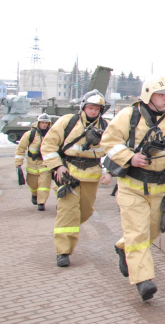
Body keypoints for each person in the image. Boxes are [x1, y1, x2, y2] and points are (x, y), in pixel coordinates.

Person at [101, 76, 165, 301]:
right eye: (161, 95)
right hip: (132, 187)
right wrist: (130, 157)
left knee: (153, 230)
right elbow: (109, 142)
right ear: (148, 95)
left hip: (161, 188)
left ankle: (124, 247)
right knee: (137, 233)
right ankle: (143, 280)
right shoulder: (129, 115)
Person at [41, 91, 112, 267]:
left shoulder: (106, 126)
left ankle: (67, 228)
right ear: (83, 107)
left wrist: (110, 171)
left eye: (97, 109)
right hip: (68, 173)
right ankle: (63, 251)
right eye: (90, 107)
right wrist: (58, 167)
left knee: (85, 211)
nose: (93, 111)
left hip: (91, 175)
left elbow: (115, 150)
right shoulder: (68, 121)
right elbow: (48, 145)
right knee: (68, 212)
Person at [15, 113, 53, 211]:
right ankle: (34, 194)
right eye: (42, 122)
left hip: (45, 163)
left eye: (46, 123)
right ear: (38, 123)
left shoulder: (52, 135)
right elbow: (21, 148)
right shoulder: (30, 134)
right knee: (32, 183)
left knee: (44, 184)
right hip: (32, 163)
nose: (44, 125)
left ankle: (41, 202)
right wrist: (18, 163)